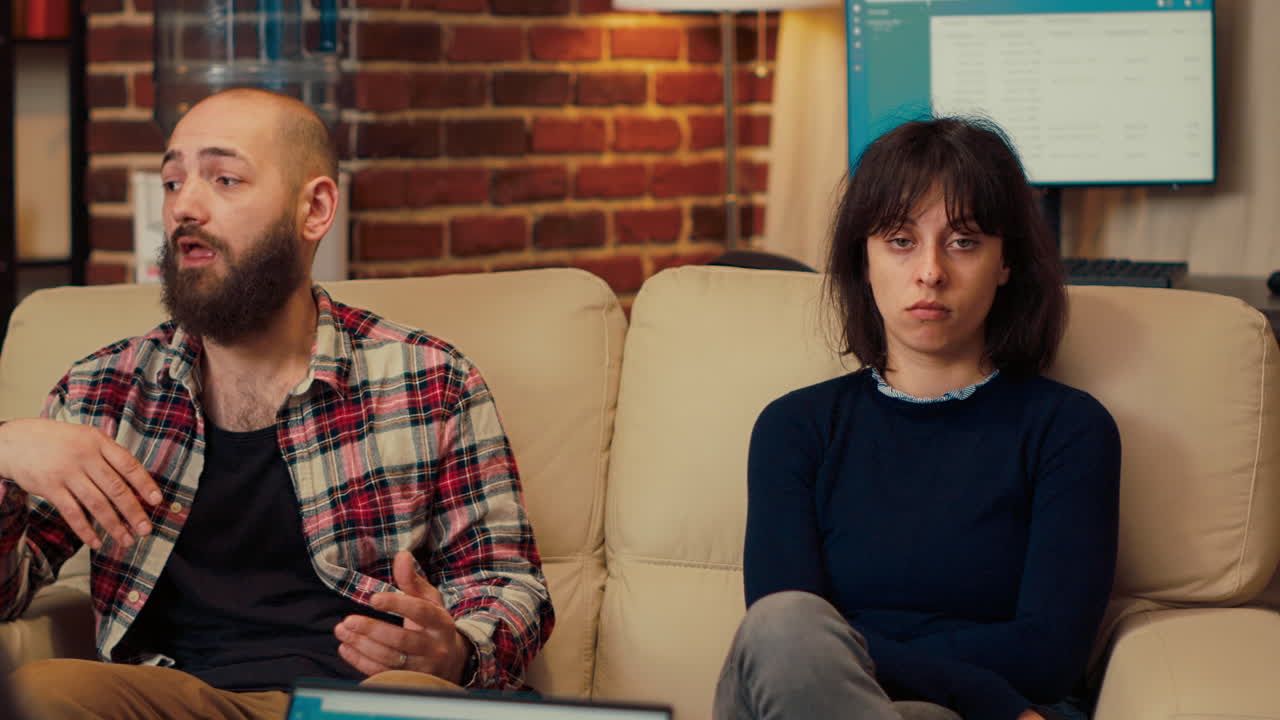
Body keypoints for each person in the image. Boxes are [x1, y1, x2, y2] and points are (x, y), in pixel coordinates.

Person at [0, 88, 553, 719]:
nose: (185, 207)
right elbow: (8, 595)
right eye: (173, 181)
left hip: (359, 703)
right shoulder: (104, 390)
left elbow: (510, 588)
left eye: (225, 179)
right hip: (181, 698)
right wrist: (5, 453)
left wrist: (453, 651)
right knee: (41, 692)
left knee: (415, 705)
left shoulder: (430, 379)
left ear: (314, 208)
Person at [713, 118, 1121, 720]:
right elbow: (784, 638)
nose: (930, 271)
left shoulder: (1069, 431)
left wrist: (869, 657)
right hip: (854, 700)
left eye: (963, 242)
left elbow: (1051, 654)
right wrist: (983, 690)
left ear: (1006, 262)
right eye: (901, 241)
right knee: (785, 625)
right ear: (865, 259)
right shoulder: (794, 429)